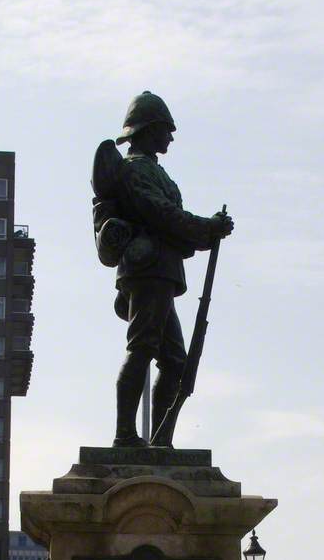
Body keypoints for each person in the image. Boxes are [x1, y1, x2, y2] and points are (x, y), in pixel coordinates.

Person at [100, 92, 234, 447]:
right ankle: (125, 435)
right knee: (142, 347)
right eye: (165, 129)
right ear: (149, 130)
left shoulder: (153, 171)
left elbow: (172, 223)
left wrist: (208, 230)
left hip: (163, 270)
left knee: (175, 361)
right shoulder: (135, 171)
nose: (171, 137)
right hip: (147, 270)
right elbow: (161, 214)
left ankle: (160, 441)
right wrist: (207, 227)